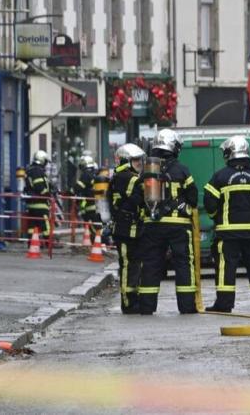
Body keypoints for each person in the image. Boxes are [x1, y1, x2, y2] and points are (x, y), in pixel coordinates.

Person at [203, 136, 250, 313]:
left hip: (228, 233)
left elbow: (209, 203)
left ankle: (224, 304)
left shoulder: (220, 177)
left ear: (229, 153)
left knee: (226, 268)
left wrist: (217, 217)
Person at [136, 129, 198, 315]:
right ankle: (187, 307)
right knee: (183, 264)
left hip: (152, 225)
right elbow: (193, 196)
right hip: (178, 225)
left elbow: (138, 196)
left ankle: (146, 307)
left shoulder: (147, 170)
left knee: (151, 264)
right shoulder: (182, 169)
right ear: (174, 148)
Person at [108, 144, 146, 314]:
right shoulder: (128, 178)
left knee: (134, 266)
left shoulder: (120, 176)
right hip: (125, 230)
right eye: (135, 160)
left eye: (140, 160)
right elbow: (140, 199)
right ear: (126, 160)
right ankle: (128, 302)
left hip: (132, 229)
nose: (139, 163)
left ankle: (133, 299)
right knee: (127, 266)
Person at [24, 150, 52, 245]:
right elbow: (39, 186)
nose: (46, 164)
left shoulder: (31, 170)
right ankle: (49, 244)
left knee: (32, 225)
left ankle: (31, 243)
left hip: (32, 203)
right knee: (45, 225)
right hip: (40, 203)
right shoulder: (37, 171)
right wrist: (48, 194)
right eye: (45, 161)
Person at [75, 154, 99, 239]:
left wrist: (70, 191)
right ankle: (98, 240)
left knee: (91, 223)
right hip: (95, 203)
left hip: (89, 204)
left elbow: (78, 188)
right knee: (94, 223)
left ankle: (99, 240)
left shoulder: (86, 174)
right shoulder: (94, 174)